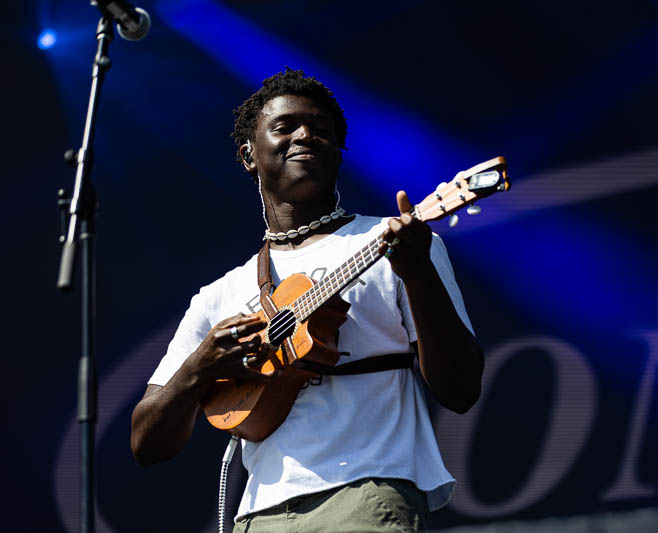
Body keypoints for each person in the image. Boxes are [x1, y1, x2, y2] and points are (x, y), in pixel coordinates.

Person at [130, 68, 484, 532]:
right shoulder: (219, 296)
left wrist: (417, 273)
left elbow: (461, 390)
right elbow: (146, 443)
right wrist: (200, 368)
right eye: (285, 126)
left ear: (338, 152)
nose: (305, 135)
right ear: (248, 155)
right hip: (257, 515)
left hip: (368, 492)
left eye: (320, 129)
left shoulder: (398, 242)